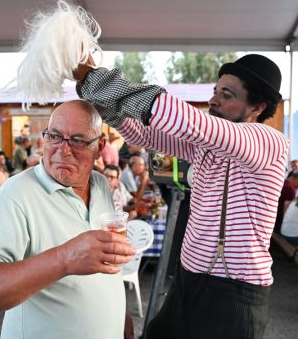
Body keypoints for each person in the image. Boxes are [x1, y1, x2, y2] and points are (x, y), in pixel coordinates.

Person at [74, 53, 289, 338]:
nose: (214, 101)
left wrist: (98, 78)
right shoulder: (204, 146)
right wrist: (103, 99)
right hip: (187, 280)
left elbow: (189, 121)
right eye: (215, 91)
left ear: (258, 106)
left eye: (227, 95)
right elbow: (145, 135)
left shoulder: (269, 142)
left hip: (234, 295)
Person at [0, 100, 135, 339]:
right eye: (54, 136)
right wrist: (65, 258)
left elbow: (104, 268)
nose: (63, 150)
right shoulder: (15, 195)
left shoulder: (100, 183)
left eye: (78, 140)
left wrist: (120, 318)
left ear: (100, 146)